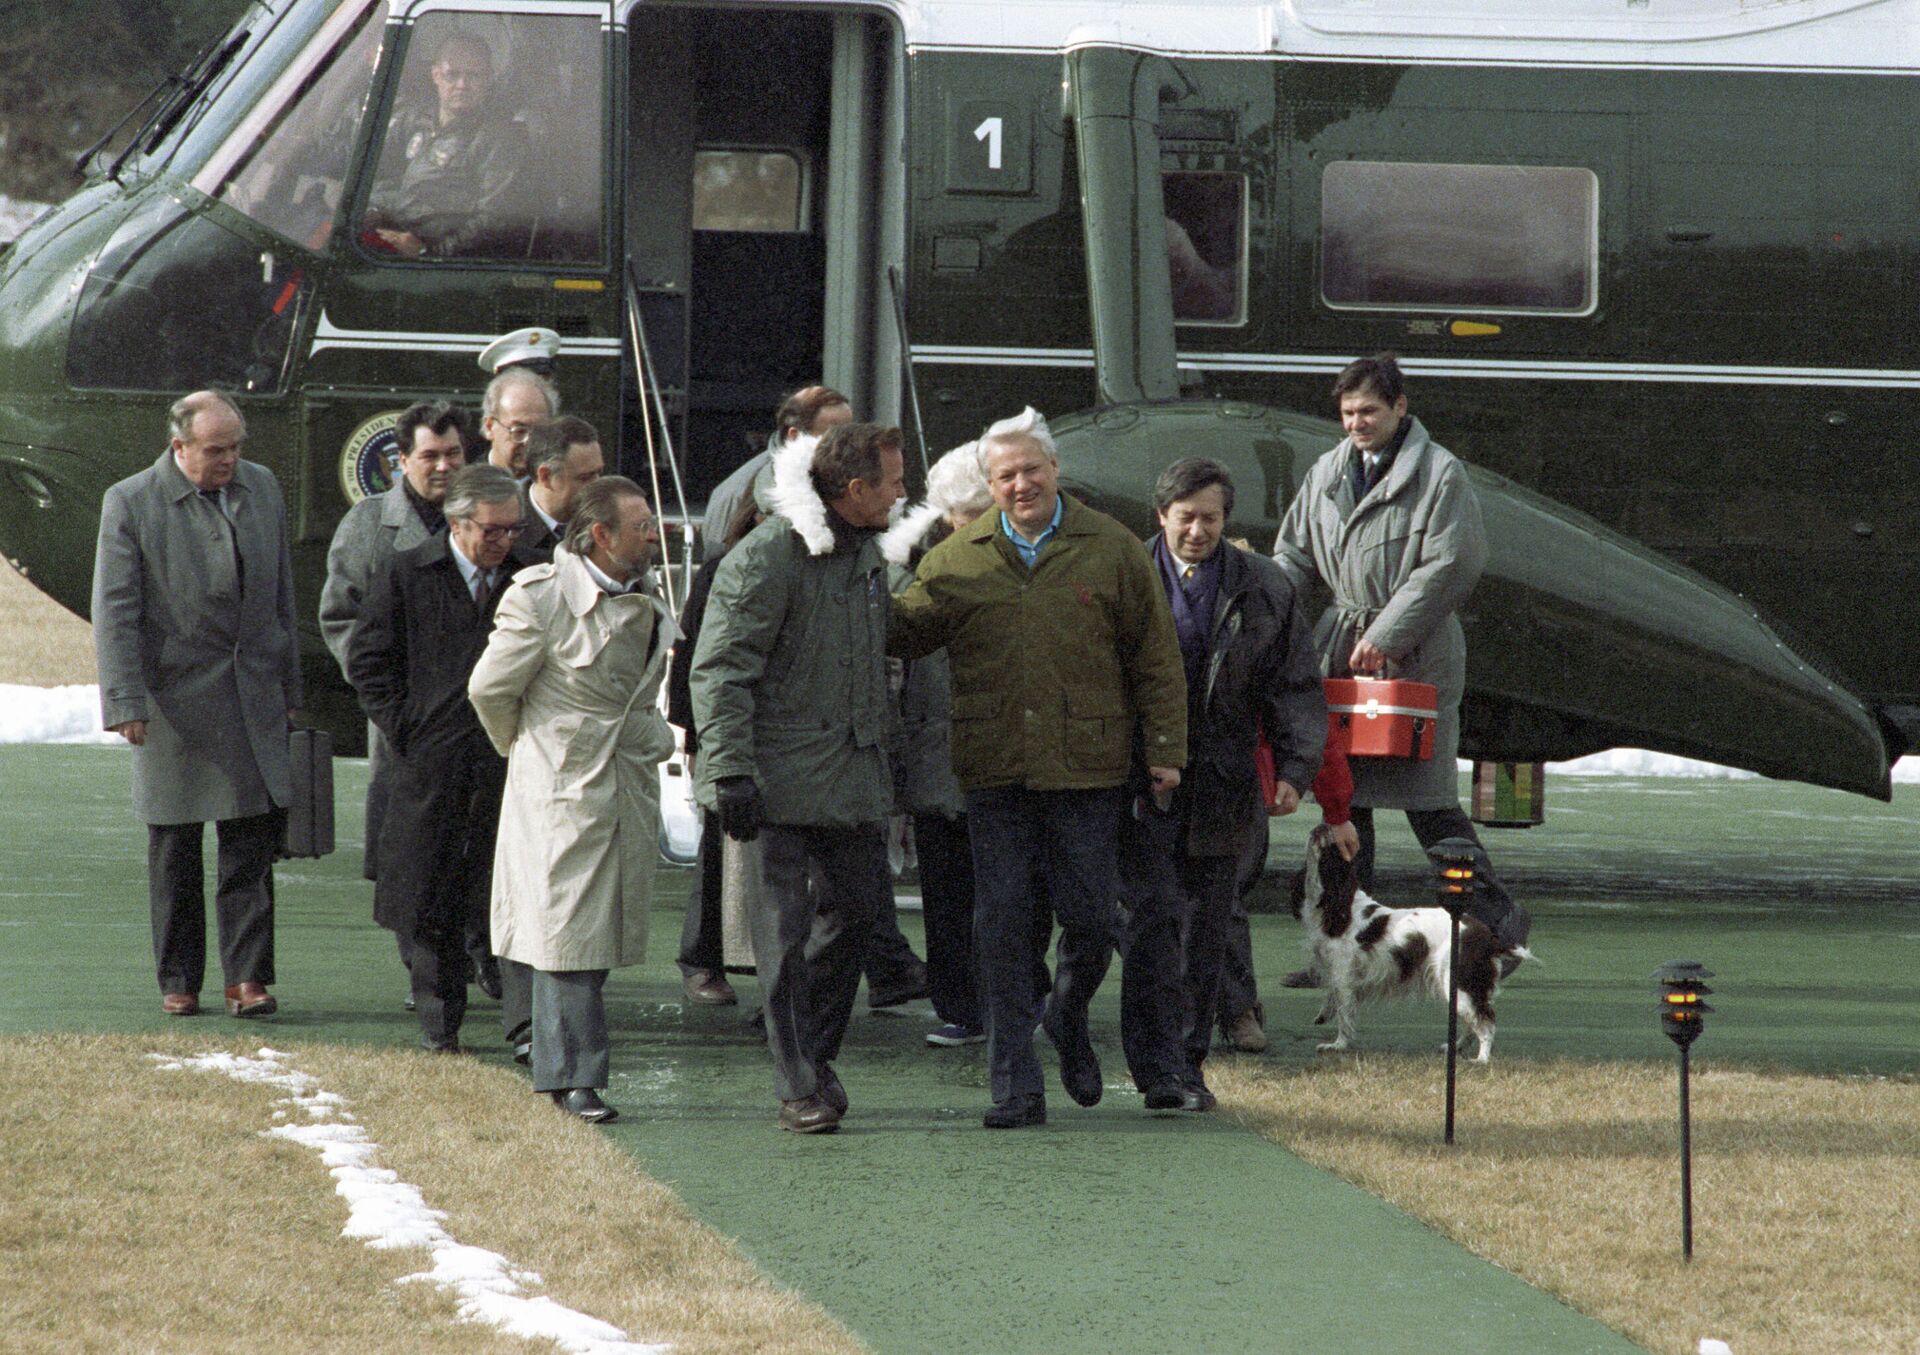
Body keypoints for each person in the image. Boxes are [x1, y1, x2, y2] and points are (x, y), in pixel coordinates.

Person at [889, 408, 1187, 1129]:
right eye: (1005, 475)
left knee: (1091, 919)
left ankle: (1067, 1013)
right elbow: (902, 629)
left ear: (1055, 470)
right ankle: (1014, 1087)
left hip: (1088, 771)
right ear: (987, 485)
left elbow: (1155, 657)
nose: (1020, 484)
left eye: (1031, 470)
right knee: (1002, 925)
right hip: (995, 773)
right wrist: (865, 568)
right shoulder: (956, 559)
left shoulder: (1111, 548)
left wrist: (1165, 752)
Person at [1273, 352, 1528, 956]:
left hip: (1418, 657)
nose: (1356, 423)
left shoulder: (1440, 474)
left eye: (1368, 411)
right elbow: (1295, 555)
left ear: (1400, 407)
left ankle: (1499, 931)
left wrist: (1388, 634)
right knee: (1345, 803)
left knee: (1430, 803)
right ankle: (1345, 946)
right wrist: (1263, 606)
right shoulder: (1327, 471)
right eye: (1347, 412)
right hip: (1341, 652)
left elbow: (1452, 562)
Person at [690, 423, 906, 1133]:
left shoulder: (866, 553)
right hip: (773, 782)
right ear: (854, 490)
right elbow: (721, 667)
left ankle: (813, 1055)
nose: (904, 491)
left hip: (848, 776)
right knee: (780, 937)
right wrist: (729, 773)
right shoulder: (767, 555)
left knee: (857, 916)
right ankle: (796, 1083)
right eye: (893, 480)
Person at [1114, 458, 1328, 1111]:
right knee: (1149, 921)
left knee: (1208, 926)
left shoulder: (1265, 586)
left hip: (1225, 782)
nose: (1198, 530)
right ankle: (1153, 1062)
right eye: (1186, 518)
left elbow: (1295, 684)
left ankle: (1186, 1063)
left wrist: (1295, 770)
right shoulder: (1125, 575)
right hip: (1141, 780)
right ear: (1161, 516)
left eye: (1210, 518)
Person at [469, 477, 676, 1123]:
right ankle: (572, 1077)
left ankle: (566, 1069)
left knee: (596, 933)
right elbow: (490, 689)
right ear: (599, 536)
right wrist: (534, 754)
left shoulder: (646, 596)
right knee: (567, 938)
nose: (654, 532)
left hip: (625, 782)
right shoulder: (542, 597)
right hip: (563, 787)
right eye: (640, 523)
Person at [92, 390, 301, 1018]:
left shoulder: (261, 488)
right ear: (178, 446)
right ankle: (179, 978)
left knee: (250, 841)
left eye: (235, 447)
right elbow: (116, 610)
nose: (229, 460)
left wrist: (288, 689)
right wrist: (125, 699)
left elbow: (281, 596)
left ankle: (247, 978)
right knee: (175, 846)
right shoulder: (129, 501)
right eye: (215, 450)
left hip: (252, 693)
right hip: (174, 703)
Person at [347, 464, 539, 1052]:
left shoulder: (527, 580)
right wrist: (409, 728)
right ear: (457, 525)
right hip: (431, 764)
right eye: (492, 530)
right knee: (429, 896)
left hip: (507, 762)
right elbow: (368, 661)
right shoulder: (408, 572)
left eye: (512, 530)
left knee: (508, 892)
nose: (504, 541)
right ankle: (440, 1024)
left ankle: (524, 1025)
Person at [318, 401, 500, 1003]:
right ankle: (420, 967)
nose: (444, 466)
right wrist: (396, 706)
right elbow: (340, 617)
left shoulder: (492, 519)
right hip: (410, 730)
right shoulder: (371, 525)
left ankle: (479, 956)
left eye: (454, 454)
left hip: (485, 728)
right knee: (413, 853)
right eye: (430, 455)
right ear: (402, 461)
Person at [877, 443, 996, 1047]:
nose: (969, 523)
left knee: (1007, 891)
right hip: (932, 752)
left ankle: (1007, 995)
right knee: (948, 890)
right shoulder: (908, 568)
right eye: (962, 511)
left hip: (997, 752)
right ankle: (963, 1005)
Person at [666, 486, 767, 1007]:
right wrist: (689, 732)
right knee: (717, 847)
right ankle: (702, 956)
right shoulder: (724, 569)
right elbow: (692, 654)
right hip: (723, 729)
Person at [363, 32, 531, 259]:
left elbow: (495, 219)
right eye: (453, 75)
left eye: (474, 75)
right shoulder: (417, 123)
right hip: (392, 244)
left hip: (440, 263)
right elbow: (394, 182)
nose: (462, 85)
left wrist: (428, 252)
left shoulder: (499, 140)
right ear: (436, 75)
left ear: (489, 78)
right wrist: (375, 211)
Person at [700, 385, 852, 548]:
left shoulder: (844, 476)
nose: (848, 447)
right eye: (834, 437)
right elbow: (722, 564)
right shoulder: (739, 491)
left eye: (850, 433)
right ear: (794, 436)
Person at [519, 415, 605, 558]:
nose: (597, 487)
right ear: (545, 476)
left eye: (599, 473)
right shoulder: (506, 531)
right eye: (585, 478)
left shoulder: (608, 525)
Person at [480, 368, 560, 478]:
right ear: (489, 427)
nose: (530, 442)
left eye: (539, 431)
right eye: (520, 431)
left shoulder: (561, 487)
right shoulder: (464, 486)